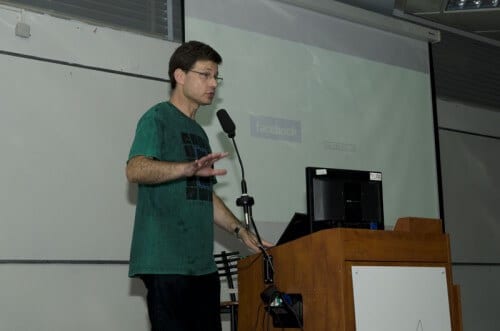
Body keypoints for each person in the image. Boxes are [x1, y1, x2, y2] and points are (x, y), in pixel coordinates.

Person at [125, 40, 272, 331]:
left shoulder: (199, 133)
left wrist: (241, 231)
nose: (213, 83)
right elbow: (135, 169)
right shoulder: (157, 118)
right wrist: (186, 168)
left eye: (216, 76)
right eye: (205, 74)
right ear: (180, 76)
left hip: (202, 266)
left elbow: (206, 197)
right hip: (166, 262)